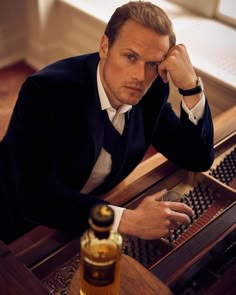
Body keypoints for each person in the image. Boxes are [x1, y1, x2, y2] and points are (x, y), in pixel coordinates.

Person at [0, 1, 214, 243]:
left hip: (86, 215)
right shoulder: (46, 92)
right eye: (130, 57)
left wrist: (190, 87)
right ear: (105, 47)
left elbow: (197, 158)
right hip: (15, 219)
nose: (140, 76)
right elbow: (35, 199)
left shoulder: (152, 91)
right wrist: (129, 220)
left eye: (153, 64)